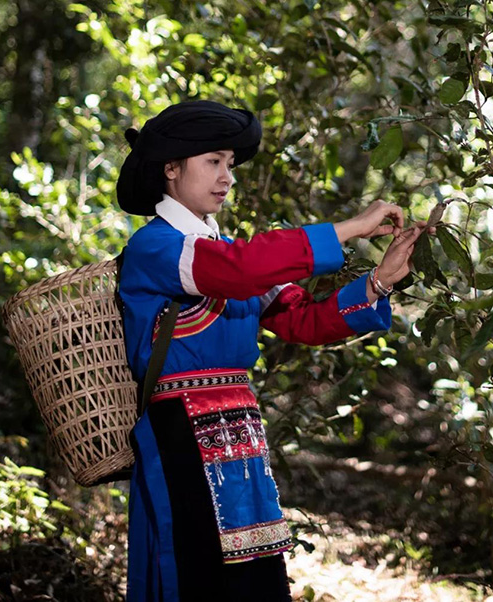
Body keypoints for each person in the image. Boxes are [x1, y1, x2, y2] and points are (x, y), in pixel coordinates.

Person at [117, 99, 430, 602]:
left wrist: (377, 282)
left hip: (239, 430)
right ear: (170, 169)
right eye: (213, 161)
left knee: (254, 568)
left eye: (230, 165)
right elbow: (238, 270)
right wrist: (349, 228)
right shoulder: (156, 248)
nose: (226, 177)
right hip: (179, 429)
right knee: (195, 566)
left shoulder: (221, 250)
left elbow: (304, 319)